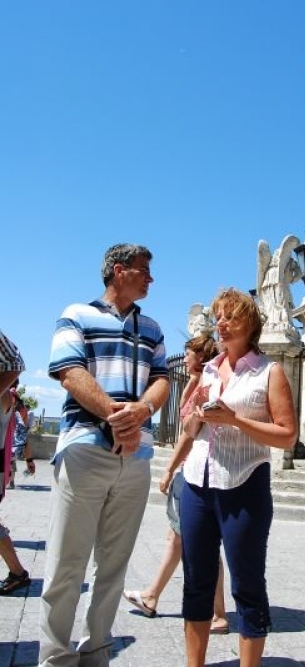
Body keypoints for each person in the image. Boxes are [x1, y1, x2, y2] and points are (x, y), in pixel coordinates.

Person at [38, 243, 170, 667]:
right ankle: (56, 659)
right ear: (118, 270)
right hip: (86, 450)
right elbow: (69, 372)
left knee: (114, 567)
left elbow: (162, 380)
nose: (150, 278)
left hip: (136, 459)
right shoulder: (76, 315)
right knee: (66, 564)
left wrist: (142, 411)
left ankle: (96, 653)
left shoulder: (153, 328)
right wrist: (117, 417)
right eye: (143, 270)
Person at [179, 287, 298, 667]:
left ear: (250, 324)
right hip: (197, 483)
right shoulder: (209, 370)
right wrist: (196, 411)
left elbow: (287, 435)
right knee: (196, 582)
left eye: (230, 317)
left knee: (247, 584)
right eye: (219, 317)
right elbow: (189, 428)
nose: (221, 323)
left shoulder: (268, 372)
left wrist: (234, 420)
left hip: (244, 484)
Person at [123, 333, 229, 634]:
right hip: (190, 470)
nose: (184, 359)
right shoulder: (194, 383)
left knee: (198, 542)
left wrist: (168, 470)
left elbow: (189, 434)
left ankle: (216, 613)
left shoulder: (205, 385)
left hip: (195, 470)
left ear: (201, 356)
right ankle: (153, 596)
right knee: (179, 539)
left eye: (189, 353)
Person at [0, 331, 31, 595]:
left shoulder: (5, 397)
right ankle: (18, 573)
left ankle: (18, 573)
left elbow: (14, 360)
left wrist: (28, 458)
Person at [9, 389, 35, 489]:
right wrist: (29, 460)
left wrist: (29, 460)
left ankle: (11, 482)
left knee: (11, 462)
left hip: (11, 447)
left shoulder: (18, 415)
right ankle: (10, 482)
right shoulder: (19, 414)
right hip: (11, 447)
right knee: (11, 462)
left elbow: (24, 438)